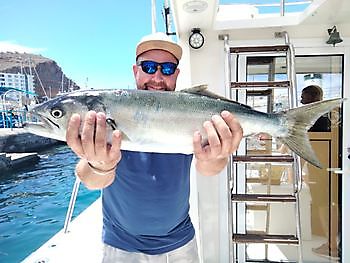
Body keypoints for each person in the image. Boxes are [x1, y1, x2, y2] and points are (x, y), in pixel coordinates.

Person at [66, 32, 243, 262]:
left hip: (180, 244)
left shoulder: (189, 113)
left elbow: (208, 169)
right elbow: (88, 178)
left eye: (167, 69)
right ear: (135, 71)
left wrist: (216, 156)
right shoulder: (104, 117)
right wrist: (101, 165)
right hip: (120, 246)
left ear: (176, 74)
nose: (158, 77)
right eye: (149, 67)